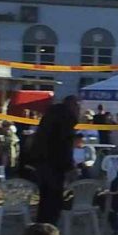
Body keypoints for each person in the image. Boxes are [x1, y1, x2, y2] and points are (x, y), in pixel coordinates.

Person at [30, 96, 82, 226]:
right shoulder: (66, 119)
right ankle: (49, 227)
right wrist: (70, 167)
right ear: (72, 106)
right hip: (55, 165)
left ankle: (41, 227)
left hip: (41, 162)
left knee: (44, 199)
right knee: (53, 201)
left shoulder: (50, 115)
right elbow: (64, 146)